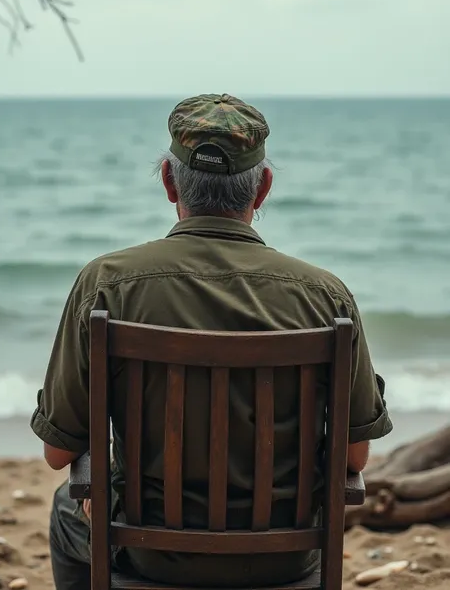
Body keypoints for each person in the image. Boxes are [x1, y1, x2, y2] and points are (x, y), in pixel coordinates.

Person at [31, 93, 393, 590]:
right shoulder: (325, 297)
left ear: (167, 181)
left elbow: (57, 452)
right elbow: (354, 459)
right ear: (262, 188)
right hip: (284, 559)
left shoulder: (106, 285)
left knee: (65, 508)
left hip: (149, 554)